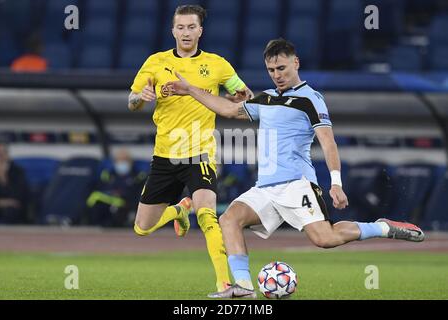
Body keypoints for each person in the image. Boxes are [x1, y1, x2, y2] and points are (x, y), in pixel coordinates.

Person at [166, 38, 425, 298]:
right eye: (271, 70)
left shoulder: (310, 99)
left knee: (325, 239)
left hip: (296, 184)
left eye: (282, 68)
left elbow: (328, 141)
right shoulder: (266, 99)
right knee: (230, 218)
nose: (277, 75)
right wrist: (190, 90)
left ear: (295, 63)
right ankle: (244, 288)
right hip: (265, 188)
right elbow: (229, 110)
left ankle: (382, 227)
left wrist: (336, 182)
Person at [127, 5, 253, 293]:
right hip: (165, 155)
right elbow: (132, 101)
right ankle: (180, 211)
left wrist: (240, 95)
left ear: (200, 31)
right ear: (173, 30)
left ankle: (225, 284)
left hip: (200, 152)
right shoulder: (155, 62)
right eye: (180, 27)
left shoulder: (217, 64)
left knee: (208, 214)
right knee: (142, 228)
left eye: (191, 27)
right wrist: (140, 97)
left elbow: (244, 96)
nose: (185, 32)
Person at [86, 149, 146, 227]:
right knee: (95, 199)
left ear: (130, 162)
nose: (122, 163)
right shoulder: (109, 174)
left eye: (125, 161)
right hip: (109, 201)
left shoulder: (137, 176)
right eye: (119, 161)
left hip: (127, 203)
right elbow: (102, 187)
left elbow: (136, 192)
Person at [0, 143, 29, 224]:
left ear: (7, 154)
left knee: (10, 211)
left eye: (1, 153)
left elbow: (17, 197)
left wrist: (2, 177)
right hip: (2, 204)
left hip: (12, 209)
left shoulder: (18, 171)